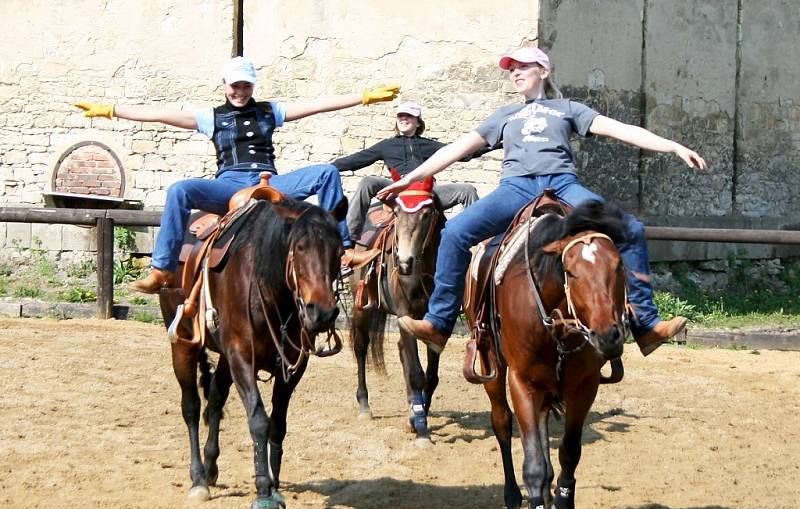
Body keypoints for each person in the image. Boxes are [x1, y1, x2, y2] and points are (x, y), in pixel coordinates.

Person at [377, 46, 707, 357]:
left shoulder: (568, 109)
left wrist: (672, 146)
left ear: (543, 70)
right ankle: (438, 323)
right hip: (515, 188)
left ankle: (646, 326)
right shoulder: (504, 115)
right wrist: (408, 180)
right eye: (512, 69)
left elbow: (619, 129)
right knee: (455, 233)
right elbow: (456, 149)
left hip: (562, 184)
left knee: (631, 228)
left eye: (523, 67)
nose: (515, 73)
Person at [74, 56, 399, 292]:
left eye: (245, 85)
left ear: (252, 85)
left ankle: (343, 249)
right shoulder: (211, 117)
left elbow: (319, 105)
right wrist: (112, 111)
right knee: (178, 190)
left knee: (327, 172)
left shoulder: (270, 111)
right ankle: (163, 270)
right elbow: (160, 115)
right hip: (229, 184)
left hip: (270, 182)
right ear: (225, 85)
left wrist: (365, 97)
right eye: (235, 85)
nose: (240, 91)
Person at [332, 101, 480, 260]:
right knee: (368, 181)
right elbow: (355, 160)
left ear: (418, 122)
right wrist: (327, 168)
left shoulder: (429, 145)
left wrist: (493, 142)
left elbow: (463, 153)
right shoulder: (386, 145)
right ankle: (347, 245)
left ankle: (478, 245)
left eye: (409, 115)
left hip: (428, 191)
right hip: (397, 190)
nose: (404, 118)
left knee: (467, 190)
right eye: (400, 115)